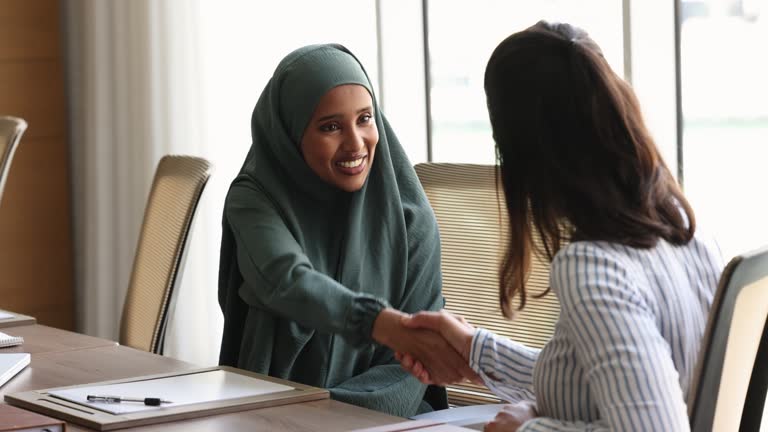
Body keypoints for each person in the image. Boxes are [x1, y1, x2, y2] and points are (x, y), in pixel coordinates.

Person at [396, 21, 724, 431]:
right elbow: (598, 378)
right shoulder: (682, 226)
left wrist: (524, 429)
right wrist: (474, 349)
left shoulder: (594, 267)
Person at [217, 43, 474, 417]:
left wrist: (334, 410)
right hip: (276, 409)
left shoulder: (410, 217)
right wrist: (384, 324)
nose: (356, 144)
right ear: (291, 132)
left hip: (387, 413)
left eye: (365, 119)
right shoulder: (253, 198)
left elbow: (412, 364)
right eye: (331, 126)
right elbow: (286, 280)